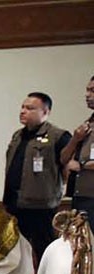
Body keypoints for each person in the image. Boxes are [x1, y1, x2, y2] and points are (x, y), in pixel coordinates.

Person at [2, 92, 71, 264]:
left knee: (45, 250)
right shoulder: (18, 136)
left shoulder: (58, 136)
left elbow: (68, 167)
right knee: (16, 251)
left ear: (45, 112)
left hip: (41, 206)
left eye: (30, 108)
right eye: (23, 107)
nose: (23, 111)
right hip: (14, 203)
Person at [62, 76, 94, 217]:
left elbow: (76, 164)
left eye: (92, 90)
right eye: (87, 90)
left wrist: (80, 165)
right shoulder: (88, 123)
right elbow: (63, 159)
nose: (87, 95)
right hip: (80, 194)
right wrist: (75, 139)